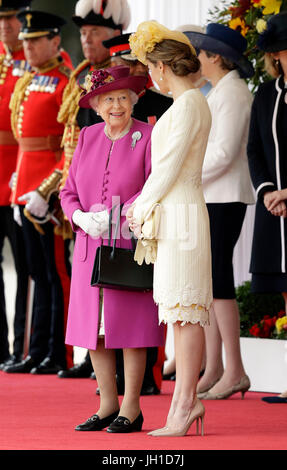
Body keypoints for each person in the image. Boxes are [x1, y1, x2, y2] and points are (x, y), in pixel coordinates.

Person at [60, 65, 165, 433]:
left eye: (123, 97)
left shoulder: (149, 135)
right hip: (90, 246)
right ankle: (107, 405)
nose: (116, 105)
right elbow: (68, 190)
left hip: (128, 243)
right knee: (96, 331)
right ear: (97, 104)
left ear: (134, 100)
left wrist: (121, 211)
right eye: (108, 99)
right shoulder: (87, 136)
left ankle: (132, 408)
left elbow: (155, 185)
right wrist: (79, 217)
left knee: (131, 330)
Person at [127, 20, 213, 437]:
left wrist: (137, 208)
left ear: (161, 68)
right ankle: (184, 403)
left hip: (182, 216)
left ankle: (185, 404)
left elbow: (166, 168)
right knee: (180, 315)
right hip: (175, 215)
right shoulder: (186, 104)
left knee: (187, 314)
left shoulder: (190, 104)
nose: (149, 74)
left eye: (148, 66)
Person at [57, 0, 130, 380]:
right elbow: (75, 144)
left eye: (93, 34)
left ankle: (140, 381)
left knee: (129, 309)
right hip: (84, 201)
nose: (85, 42)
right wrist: (77, 208)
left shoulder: (136, 106)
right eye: (82, 35)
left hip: (127, 222)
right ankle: (91, 366)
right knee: (88, 298)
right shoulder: (85, 79)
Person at [185, 23, 255, 400]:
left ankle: (235, 370)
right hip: (214, 195)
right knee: (212, 284)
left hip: (224, 196)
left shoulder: (233, 93)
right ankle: (215, 368)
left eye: (201, 52)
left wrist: (186, 170)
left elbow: (225, 153)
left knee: (219, 282)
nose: (197, 58)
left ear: (214, 57)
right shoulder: (220, 91)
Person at [102, 31, 173, 396]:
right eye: (119, 64)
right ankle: (113, 378)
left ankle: (148, 375)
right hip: (108, 217)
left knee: (143, 296)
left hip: (149, 215)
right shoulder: (104, 107)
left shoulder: (163, 105)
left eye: (131, 64)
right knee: (111, 297)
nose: (124, 70)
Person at [3, 10, 73, 374]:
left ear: (54, 42)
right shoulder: (28, 81)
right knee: (34, 272)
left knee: (55, 272)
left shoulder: (64, 81)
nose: (27, 47)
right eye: (26, 41)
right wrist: (18, 182)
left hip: (49, 189)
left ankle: (60, 351)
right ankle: (38, 349)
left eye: (35, 41)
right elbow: (21, 140)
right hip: (24, 183)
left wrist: (48, 189)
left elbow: (67, 142)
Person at [246, 11, 287, 404]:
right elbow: (254, 150)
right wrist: (269, 191)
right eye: (282, 52)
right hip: (274, 209)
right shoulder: (266, 93)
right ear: (274, 56)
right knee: (285, 291)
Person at [0, 0, 31, 369]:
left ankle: (25, 348)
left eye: (9, 18)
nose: (5, 26)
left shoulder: (37, 60)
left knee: (28, 270)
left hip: (21, 178)